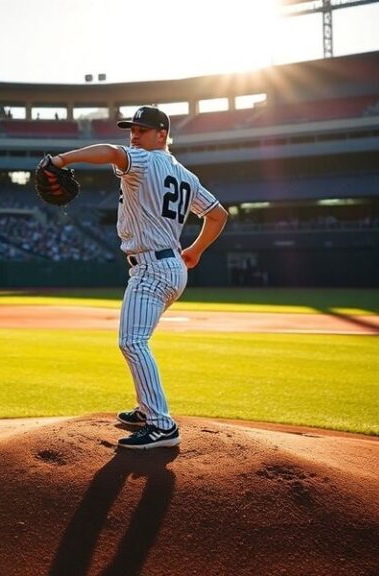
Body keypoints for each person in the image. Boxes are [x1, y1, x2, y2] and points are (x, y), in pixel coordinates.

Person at [45, 105, 228, 449]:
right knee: (137, 340)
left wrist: (61, 160)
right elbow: (217, 215)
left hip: (151, 267)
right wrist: (196, 251)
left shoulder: (144, 160)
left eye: (142, 130)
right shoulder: (187, 176)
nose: (134, 135)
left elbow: (111, 153)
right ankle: (147, 411)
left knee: (132, 342)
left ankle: (161, 425)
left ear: (162, 135)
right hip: (171, 265)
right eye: (132, 129)